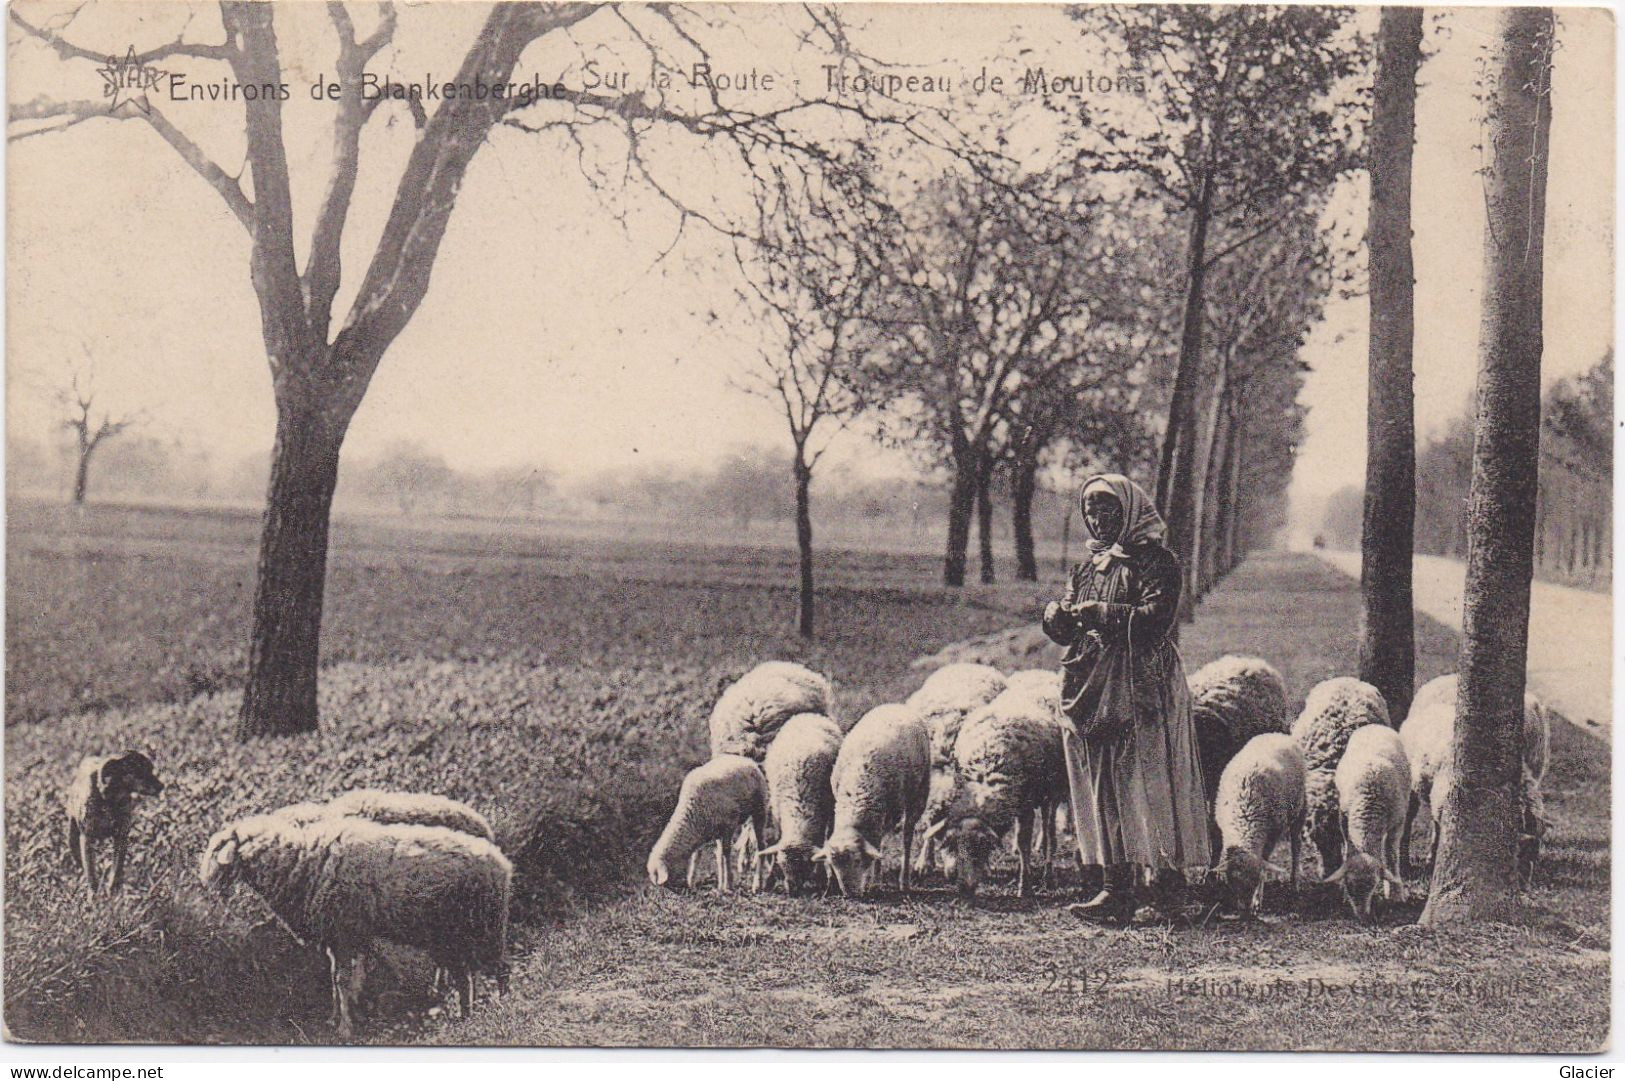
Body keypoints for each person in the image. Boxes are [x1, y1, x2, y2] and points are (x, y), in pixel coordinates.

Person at [1041, 473, 1210, 924]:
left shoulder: (1158, 562)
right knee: (1104, 782)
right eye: (1091, 511)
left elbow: (1157, 618)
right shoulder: (1089, 566)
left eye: (1108, 511)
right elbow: (1070, 618)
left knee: (1146, 776)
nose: (1098, 520)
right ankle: (1115, 886)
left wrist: (1104, 614)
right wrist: (1056, 617)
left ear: (1130, 512)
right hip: (1094, 681)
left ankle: (1164, 886)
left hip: (1142, 682)